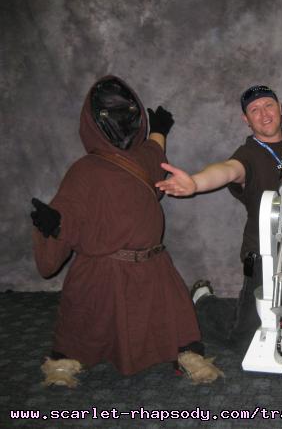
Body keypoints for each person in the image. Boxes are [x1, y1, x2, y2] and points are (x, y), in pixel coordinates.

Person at [31, 76, 223, 387]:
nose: (122, 120)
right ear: (94, 122)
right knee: (82, 328)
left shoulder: (142, 158)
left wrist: (159, 129)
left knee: (178, 326)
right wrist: (53, 226)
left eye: (127, 112)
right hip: (103, 274)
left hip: (153, 268)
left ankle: (187, 354)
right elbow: (67, 214)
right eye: (112, 114)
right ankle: (64, 361)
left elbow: (154, 152)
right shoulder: (83, 171)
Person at [156, 85, 282, 349]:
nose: (264, 114)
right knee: (245, 341)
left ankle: (250, 309)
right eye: (255, 110)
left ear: (280, 108)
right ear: (246, 119)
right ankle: (204, 303)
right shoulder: (247, 155)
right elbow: (227, 170)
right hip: (263, 254)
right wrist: (195, 182)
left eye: (269, 106)